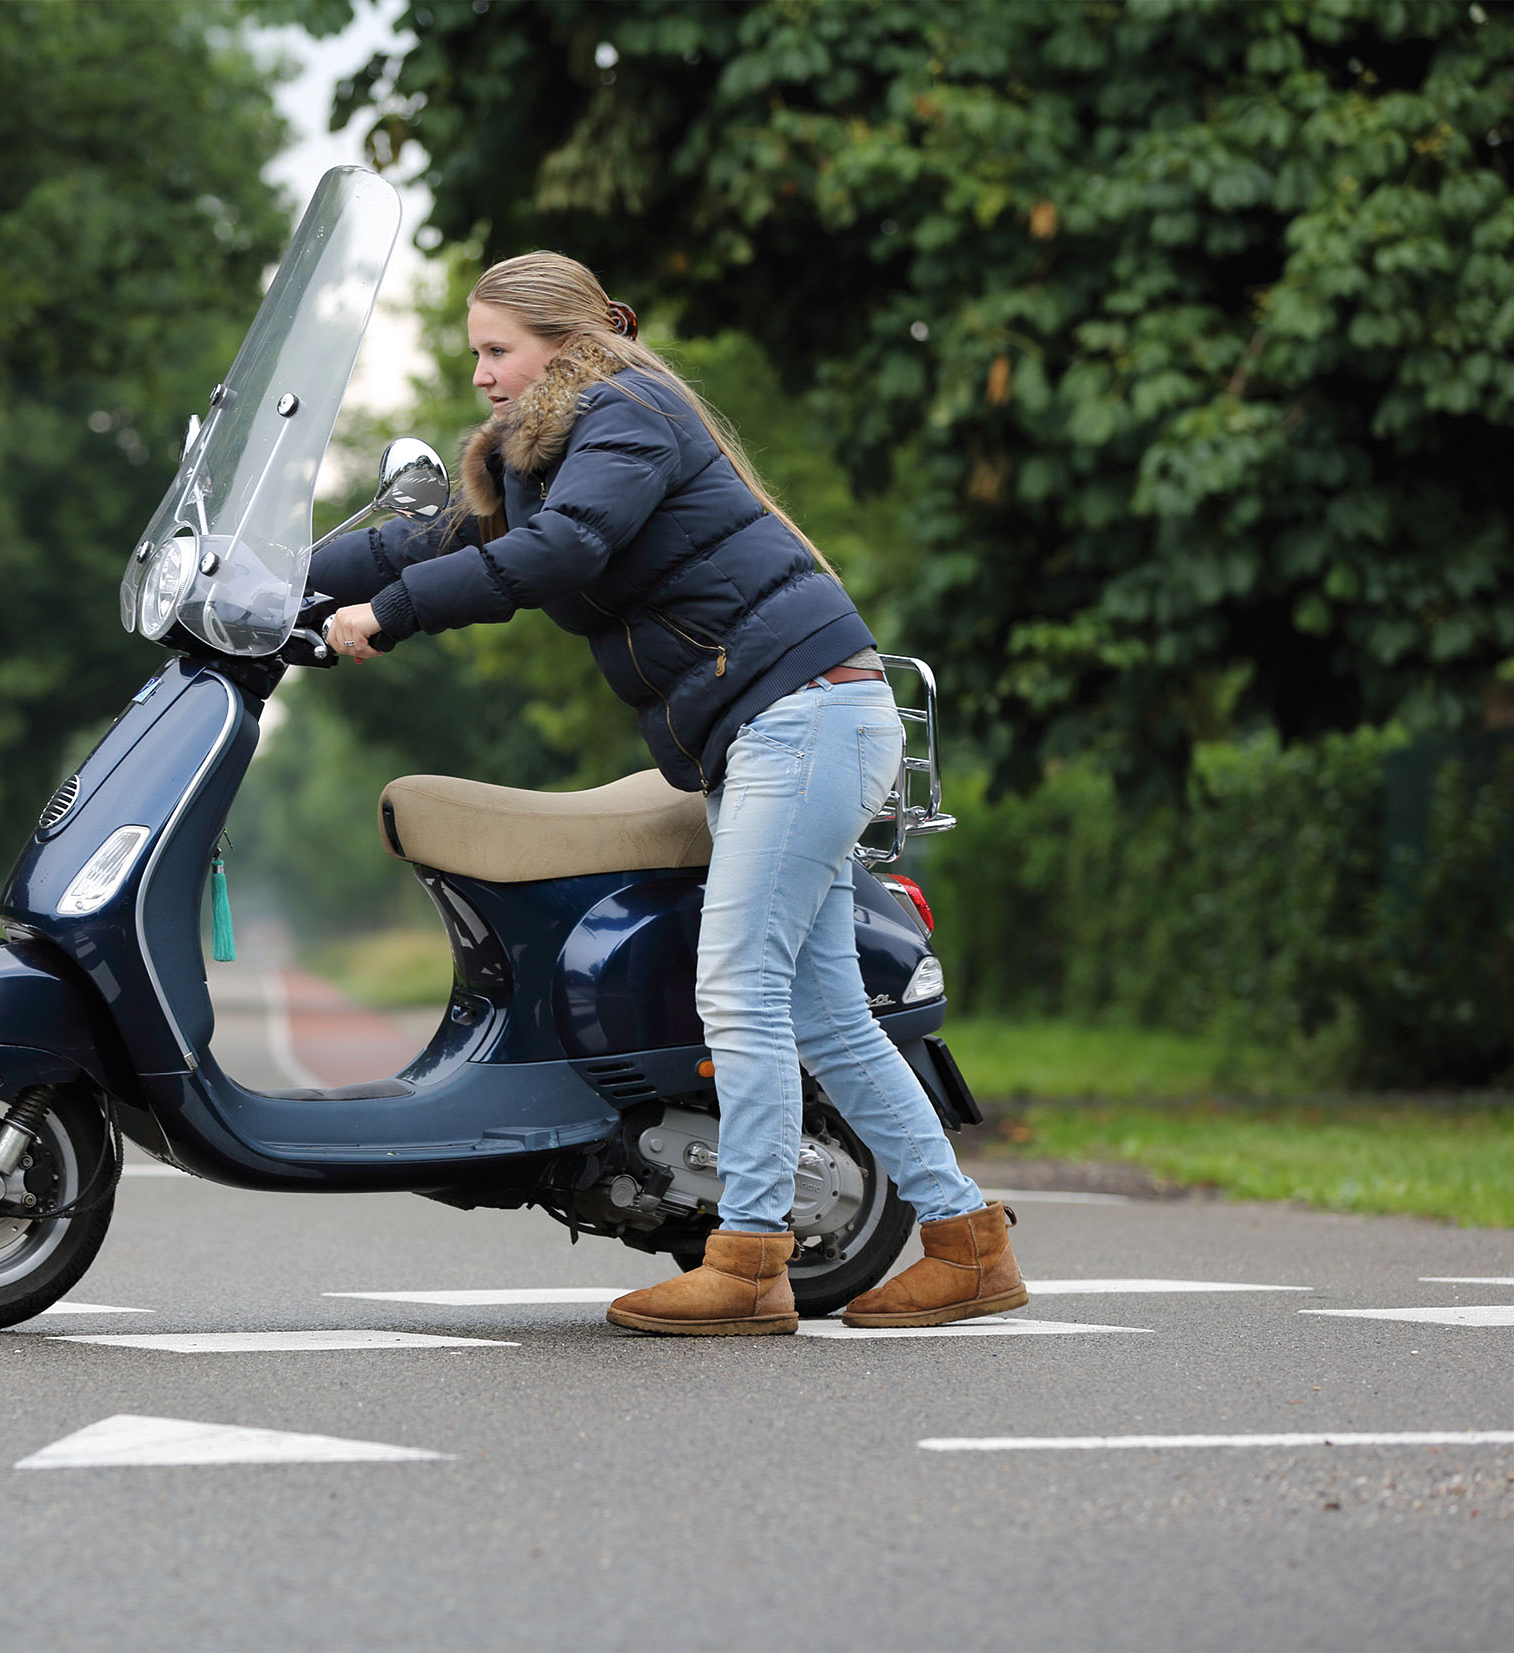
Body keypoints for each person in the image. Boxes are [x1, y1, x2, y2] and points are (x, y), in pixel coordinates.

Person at [311, 252, 1024, 1335]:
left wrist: (394, 614)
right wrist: (284, 575)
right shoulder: (551, 448)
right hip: (780, 728)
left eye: (497, 351)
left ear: (564, 341)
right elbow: (438, 537)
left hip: (804, 718)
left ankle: (745, 1265)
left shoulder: (625, 410)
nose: (482, 377)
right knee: (824, 1013)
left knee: (736, 988)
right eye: (473, 356)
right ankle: (965, 1242)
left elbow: (562, 553)